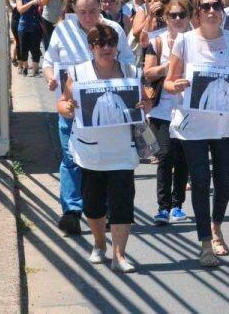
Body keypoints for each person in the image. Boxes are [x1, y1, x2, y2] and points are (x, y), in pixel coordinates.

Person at [163, 0, 229, 267]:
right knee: (201, 181)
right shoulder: (185, 41)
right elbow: (169, 80)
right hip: (194, 125)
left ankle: (216, 226)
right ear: (197, 13)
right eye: (205, 6)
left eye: (216, 5)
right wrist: (175, 85)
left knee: (225, 179)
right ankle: (205, 242)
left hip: (225, 122)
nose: (212, 10)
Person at [57, 23, 150, 273]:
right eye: (101, 44)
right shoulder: (77, 73)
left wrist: (144, 104)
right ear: (91, 47)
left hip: (122, 149)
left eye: (111, 44)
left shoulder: (130, 71)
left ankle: (119, 255)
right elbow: (64, 103)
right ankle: (99, 244)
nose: (106, 48)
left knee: (122, 203)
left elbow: (146, 103)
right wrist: (66, 108)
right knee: (93, 204)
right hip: (91, 151)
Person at [42, 0, 134, 235]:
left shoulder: (114, 30)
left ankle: (100, 212)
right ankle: (72, 211)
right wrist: (51, 78)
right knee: (70, 159)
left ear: (100, 8)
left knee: (101, 163)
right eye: (82, 12)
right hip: (73, 109)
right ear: (74, 10)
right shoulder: (63, 30)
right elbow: (48, 61)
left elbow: (129, 63)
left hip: (107, 112)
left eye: (92, 11)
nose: (87, 16)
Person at [144, 0, 191, 226]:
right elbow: (148, 73)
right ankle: (163, 207)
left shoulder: (195, 41)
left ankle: (177, 205)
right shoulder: (158, 41)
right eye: (173, 15)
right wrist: (171, 64)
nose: (178, 19)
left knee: (182, 158)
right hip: (161, 109)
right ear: (166, 18)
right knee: (164, 156)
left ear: (189, 17)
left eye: (182, 15)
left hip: (185, 108)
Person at [15, 0, 42, 76]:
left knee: (36, 49)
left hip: (35, 27)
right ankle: (25, 66)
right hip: (24, 27)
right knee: (24, 50)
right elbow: (20, 9)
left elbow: (42, 7)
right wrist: (31, 3)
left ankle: (34, 71)